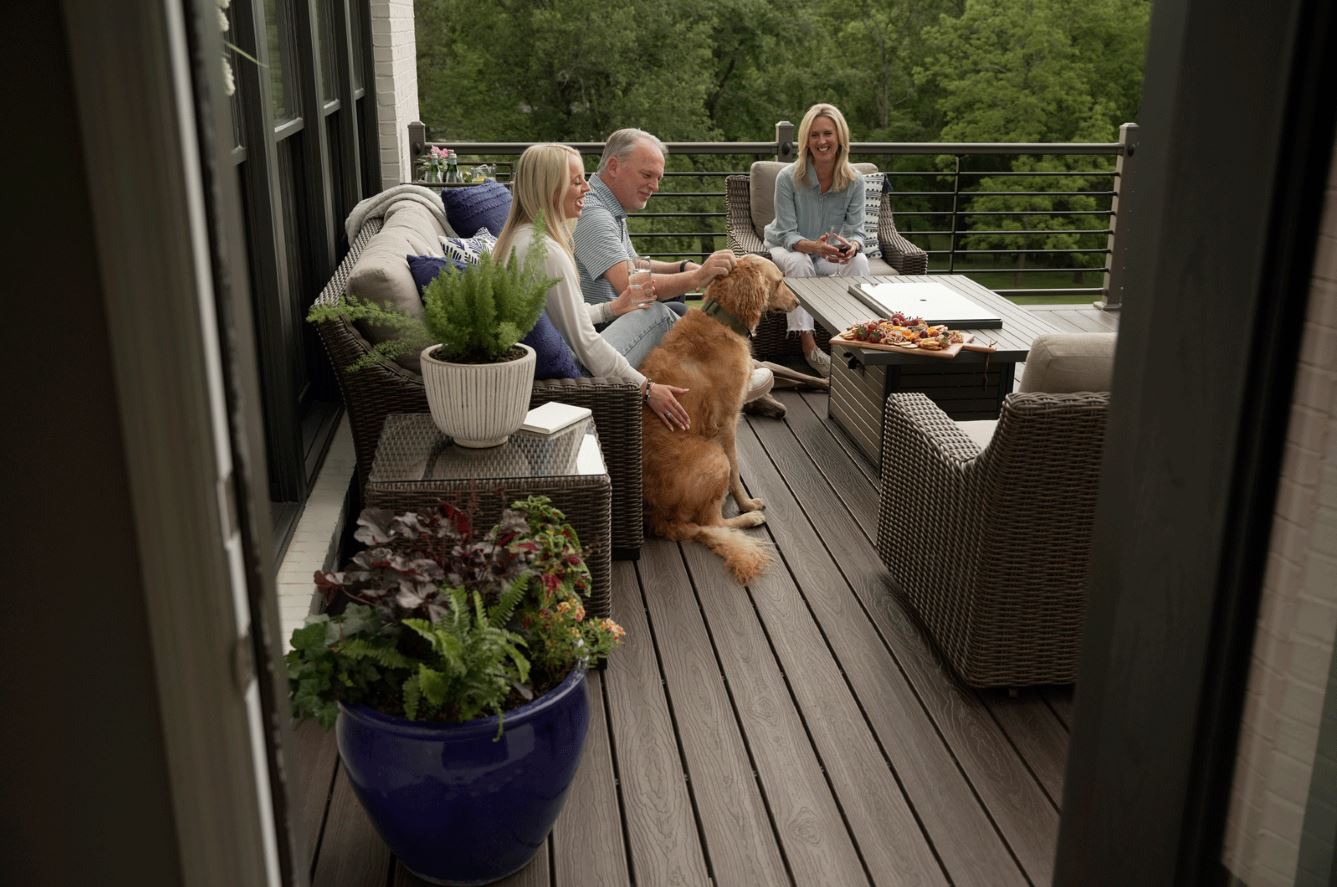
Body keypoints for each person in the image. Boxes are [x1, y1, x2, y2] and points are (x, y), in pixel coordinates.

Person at [493, 143, 691, 431]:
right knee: (659, 313)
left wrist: (612, 308)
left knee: (667, 310)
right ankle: (727, 380)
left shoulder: (519, 238)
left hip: (551, 366)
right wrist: (647, 389)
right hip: (577, 376)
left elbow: (562, 315)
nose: (587, 187)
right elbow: (585, 344)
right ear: (551, 189)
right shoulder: (547, 252)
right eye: (577, 181)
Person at [574, 128, 738, 319]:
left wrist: (681, 267)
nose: (655, 187)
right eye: (646, 175)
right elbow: (630, 284)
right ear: (613, 167)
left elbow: (633, 264)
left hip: (614, 313)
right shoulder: (594, 214)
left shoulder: (607, 203)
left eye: (658, 178)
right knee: (679, 312)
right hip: (597, 327)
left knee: (675, 295)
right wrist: (698, 277)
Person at [763, 103, 871, 378]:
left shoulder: (855, 181)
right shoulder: (788, 178)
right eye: (814, 135)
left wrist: (851, 247)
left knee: (859, 262)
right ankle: (809, 347)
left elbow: (857, 232)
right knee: (800, 263)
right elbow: (787, 234)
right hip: (786, 247)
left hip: (825, 255)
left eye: (827, 134)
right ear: (806, 141)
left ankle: (852, 341)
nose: (821, 141)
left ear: (840, 138)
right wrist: (813, 246)